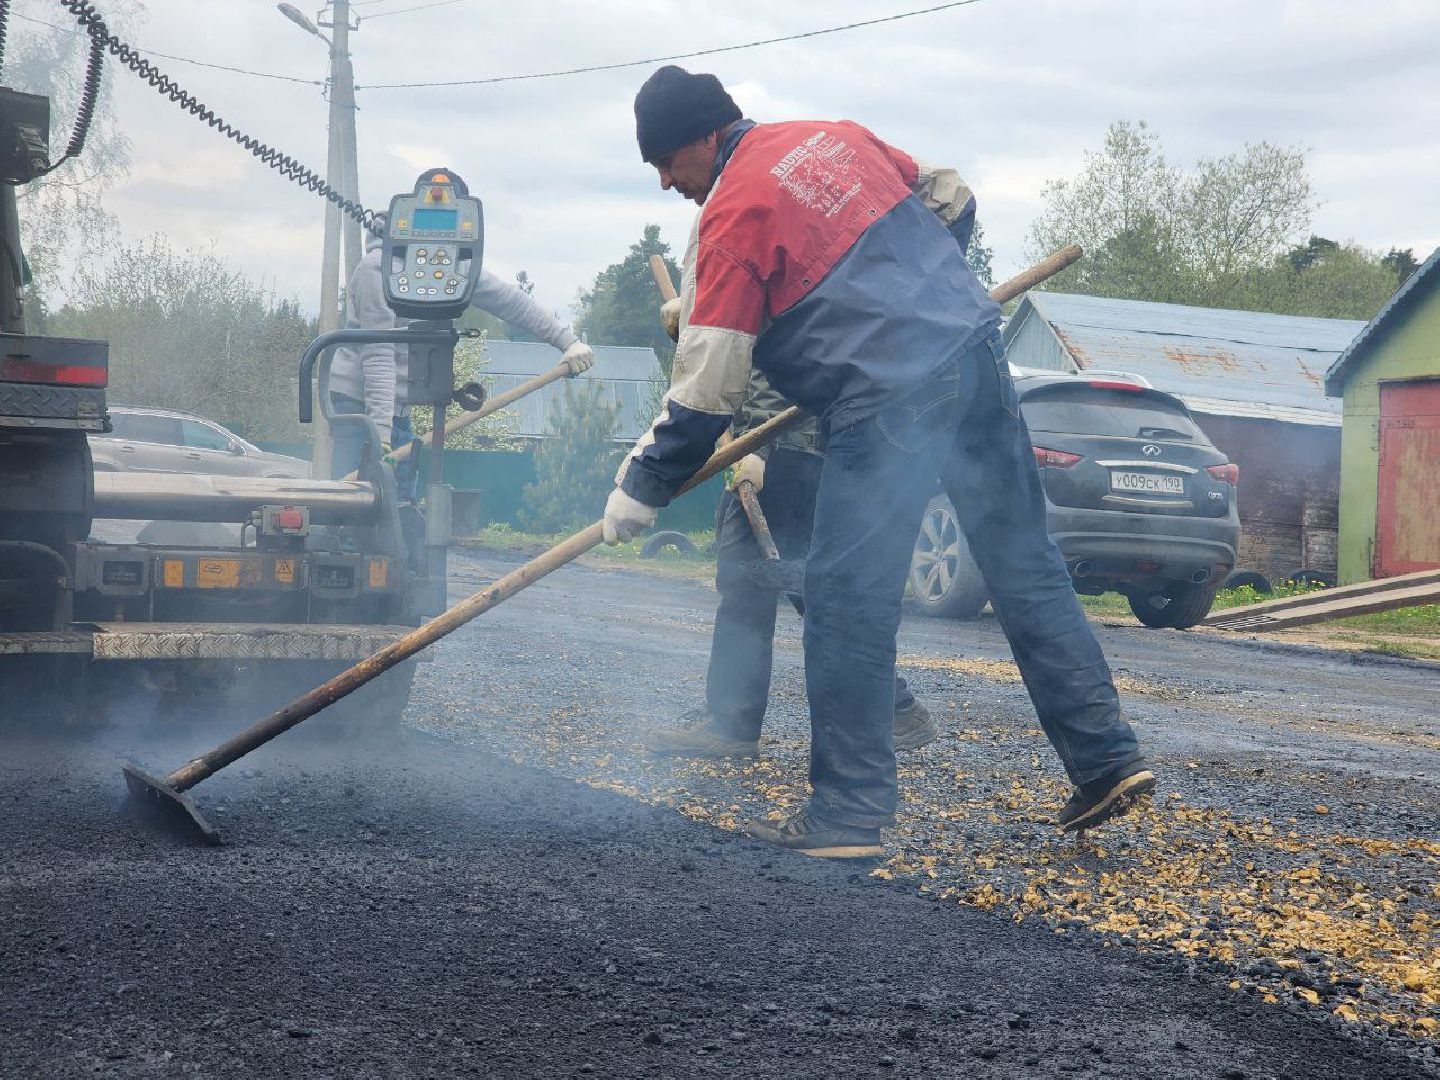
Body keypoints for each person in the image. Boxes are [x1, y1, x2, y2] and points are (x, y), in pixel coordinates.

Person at [602, 65, 1154, 859]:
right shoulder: (833, 139)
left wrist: (641, 485)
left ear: (703, 135)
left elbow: (706, 390)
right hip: (974, 356)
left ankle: (848, 816)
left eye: (665, 160)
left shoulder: (730, 216)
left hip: (887, 397)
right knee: (1023, 563)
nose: (664, 181)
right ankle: (1106, 759)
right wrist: (918, 295)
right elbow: (954, 199)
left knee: (844, 598)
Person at [645, 332, 938, 759]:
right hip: (791, 444)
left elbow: (769, 349)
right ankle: (892, 707)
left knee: (758, 585)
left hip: (782, 446)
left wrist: (758, 445)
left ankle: (733, 723)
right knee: (803, 586)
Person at [329, 219, 594, 487]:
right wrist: (381, 437)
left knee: (399, 496)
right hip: (358, 405)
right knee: (356, 500)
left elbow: (510, 301)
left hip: (397, 408)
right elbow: (378, 355)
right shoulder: (375, 270)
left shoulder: (451, 265)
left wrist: (568, 342)